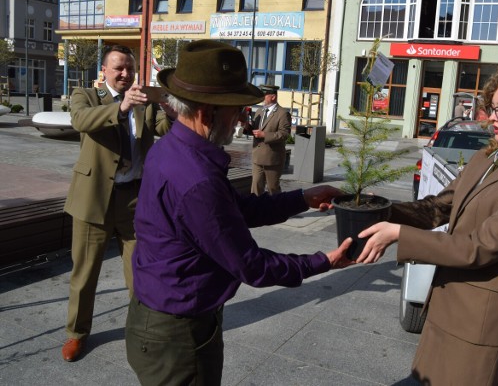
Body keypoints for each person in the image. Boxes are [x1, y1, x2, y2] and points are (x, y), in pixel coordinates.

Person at [124, 40, 354, 385]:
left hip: (161, 319)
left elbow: (232, 210)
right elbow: (250, 264)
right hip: (178, 337)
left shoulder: (174, 149)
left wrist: (302, 198)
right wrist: (324, 261)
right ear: (206, 112)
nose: (241, 119)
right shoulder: (196, 178)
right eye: (236, 109)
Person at [357, 66, 498, 385]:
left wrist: (399, 234)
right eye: (492, 108)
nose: (493, 117)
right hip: (445, 307)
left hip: (477, 326)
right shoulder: (487, 158)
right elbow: (438, 208)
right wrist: (382, 210)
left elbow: (477, 248)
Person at [61, 45, 174, 362]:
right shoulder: (86, 95)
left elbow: (164, 129)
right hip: (93, 200)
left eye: (130, 68)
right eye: (118, 68)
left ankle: (143, 332)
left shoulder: (144, 103)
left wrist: (172, 106)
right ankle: (76, 334)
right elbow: (82, 121)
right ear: (105, 71)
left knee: (141, 273)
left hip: (134, 200)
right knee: (84, 275)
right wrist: (121, 107)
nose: (125, 74)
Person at [245, 84, 291, 195]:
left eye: (264, 95)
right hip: (257, 157)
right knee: (255, 188)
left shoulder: (283, 113)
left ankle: (277, 211)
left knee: (273, 189)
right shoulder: (260, 111)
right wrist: (246, 126)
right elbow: (255, 131)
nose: (262, 98)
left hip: (272, 159)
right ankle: (256, 211)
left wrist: (265, 135)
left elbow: (284, 134)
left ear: (273, 97)